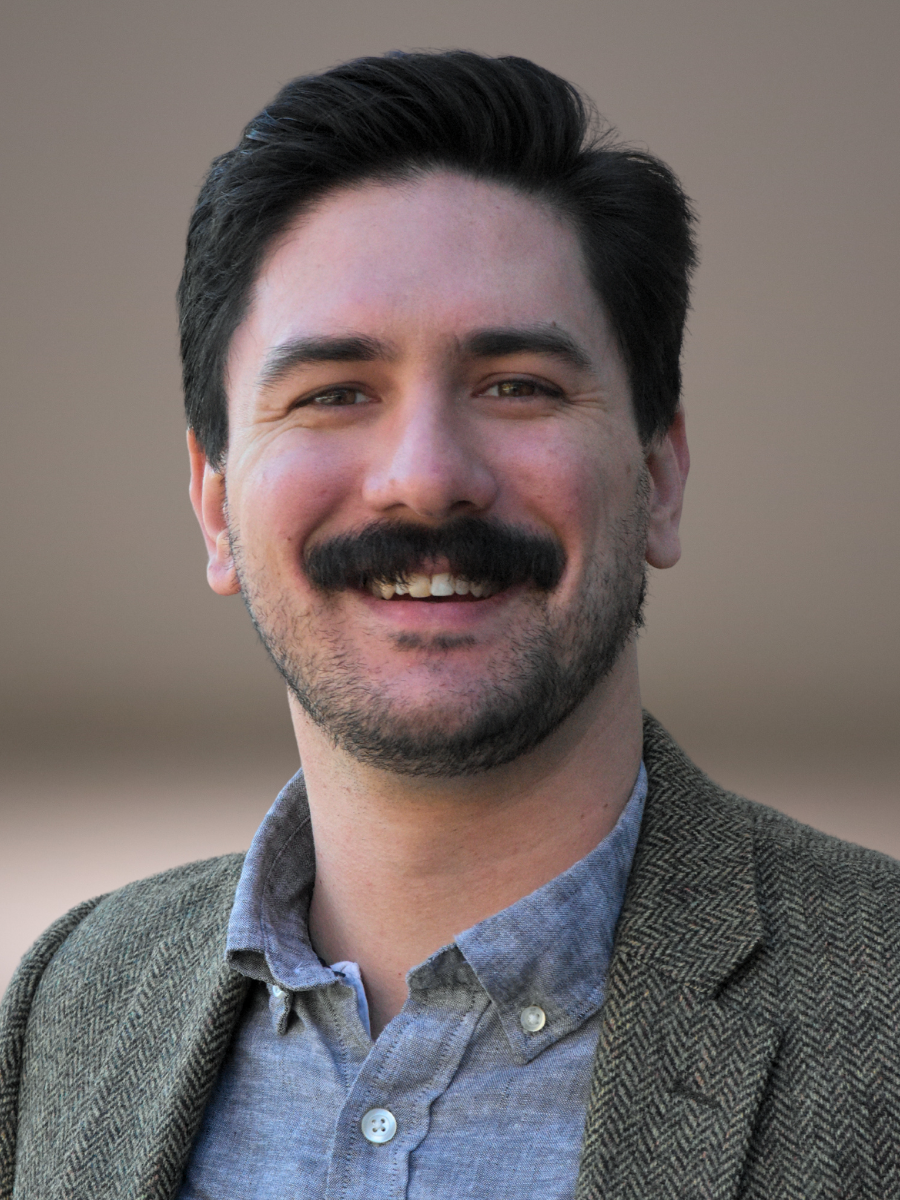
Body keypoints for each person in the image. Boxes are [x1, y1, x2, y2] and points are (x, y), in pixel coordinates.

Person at [1, 50, 898, 1200]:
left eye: (517, 383)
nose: (425, 480)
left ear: (660, 478)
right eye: (334, 392)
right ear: (216, 505)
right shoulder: (77, 996)